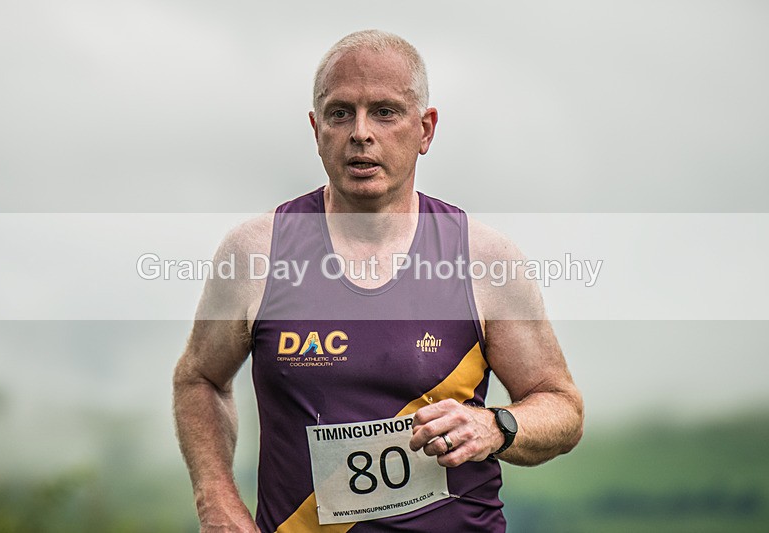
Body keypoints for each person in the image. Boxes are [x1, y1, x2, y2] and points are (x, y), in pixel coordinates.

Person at [173, 30, 583, 532]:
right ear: (316, 129)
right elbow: (199, 379)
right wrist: (216, 502)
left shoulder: (484, 260)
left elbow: (562, 407)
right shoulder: (256, 254)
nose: (361, 133)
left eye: (385, 112)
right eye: (340, 113)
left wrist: (495, 425)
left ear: (426, 130)